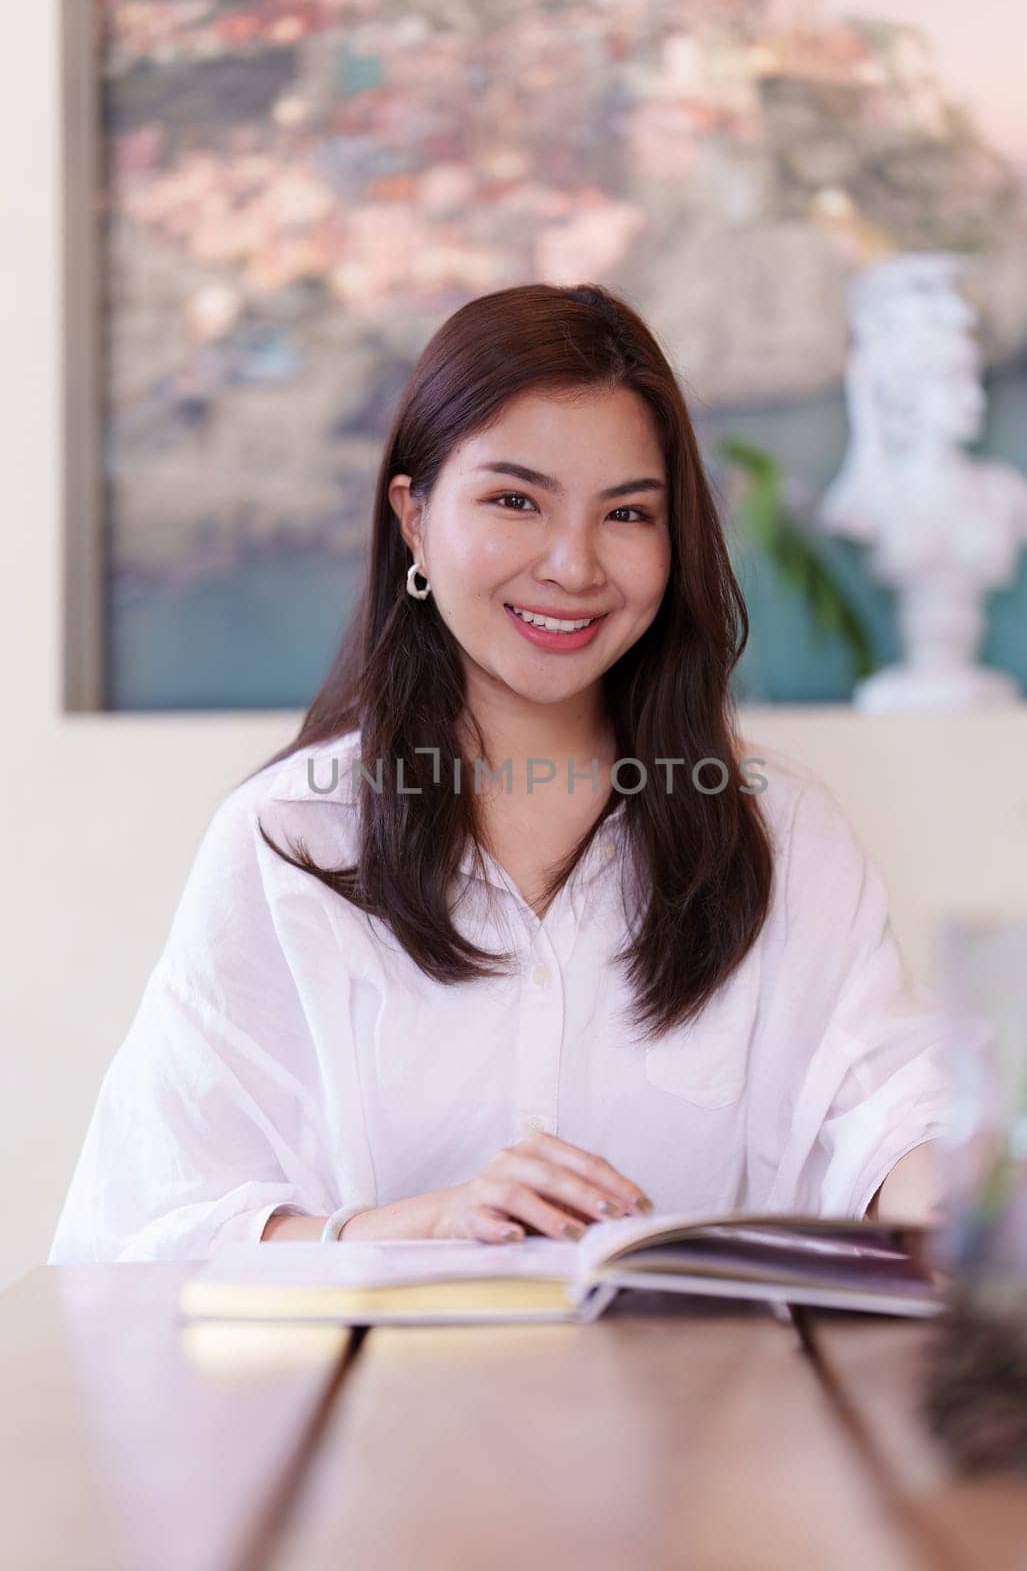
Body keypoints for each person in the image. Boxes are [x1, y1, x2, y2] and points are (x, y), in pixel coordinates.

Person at [49, 282, 949, 1263]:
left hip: (693, 1412)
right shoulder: (287, 839)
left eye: (627, 513)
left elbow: (893, 1120)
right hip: (378, 1413)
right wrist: (422, 1224)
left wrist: (967, 1190)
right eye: (514, 500)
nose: (572, 565)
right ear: (414, 516)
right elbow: (137, 1239)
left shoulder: (781, 833)